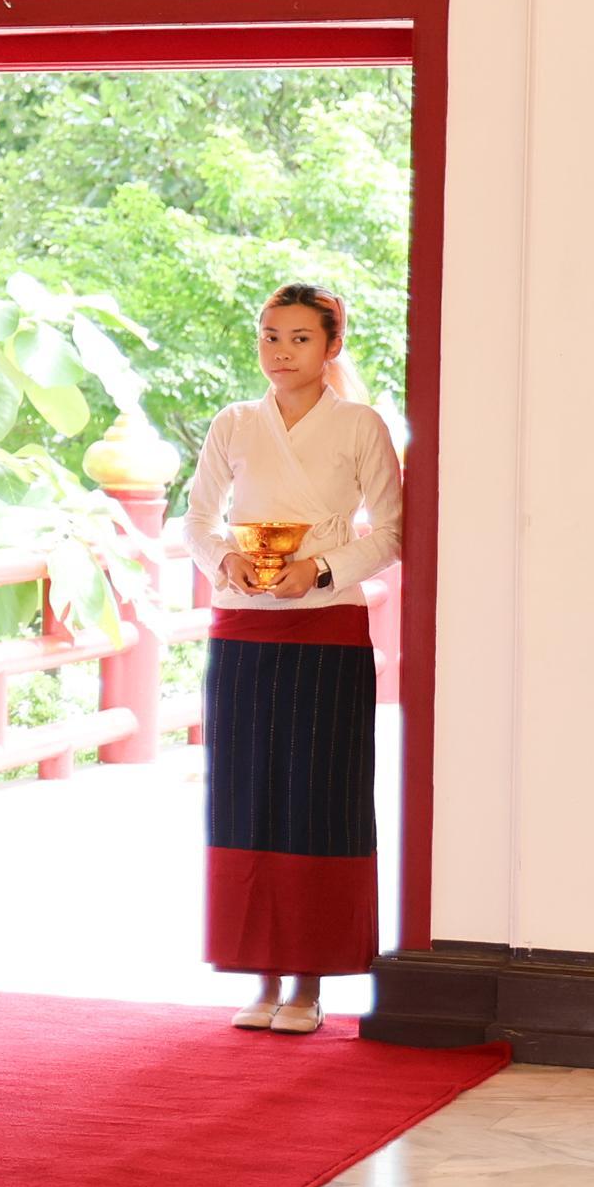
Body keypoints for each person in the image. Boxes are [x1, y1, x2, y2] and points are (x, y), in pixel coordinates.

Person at [188, 283, 404, 1036]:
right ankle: (262, 976)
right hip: (242, 630)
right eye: (270, 336)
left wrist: (319, 571)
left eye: (300, 338)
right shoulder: (234, 422)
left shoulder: (360, 425)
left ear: (332, 346)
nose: (281, 352)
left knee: (318, 796)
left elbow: (393, 531)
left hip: (327, 628)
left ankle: (309, 984)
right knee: (246, 795)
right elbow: (198, 519)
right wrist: (226, 562)